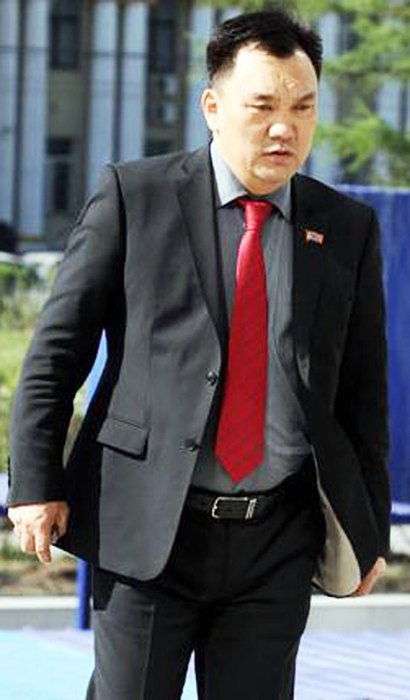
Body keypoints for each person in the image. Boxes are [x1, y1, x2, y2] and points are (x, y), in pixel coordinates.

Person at [7, 9, 390, 700]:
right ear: (212, 107)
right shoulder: (135, 196)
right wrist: (35, 484)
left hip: (277, 537)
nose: (285, 128)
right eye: (263, 107)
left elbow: (363, 393)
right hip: (149, 525)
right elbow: (57, 351)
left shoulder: (344, 226)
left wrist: (368, 530)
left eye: (303, 107)